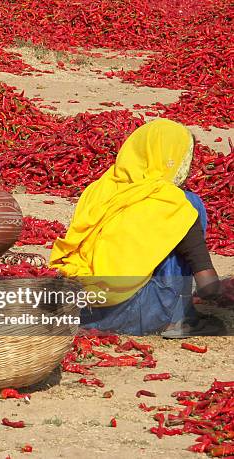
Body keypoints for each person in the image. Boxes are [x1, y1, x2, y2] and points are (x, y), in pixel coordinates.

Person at [49, 119, 225, 337]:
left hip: (85, 309)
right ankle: (178, 318)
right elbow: (208, 286)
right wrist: (221, 292)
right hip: (137, 314)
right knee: (191, 205)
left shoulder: (98, 189)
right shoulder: (173, 202)